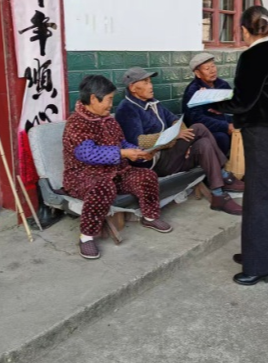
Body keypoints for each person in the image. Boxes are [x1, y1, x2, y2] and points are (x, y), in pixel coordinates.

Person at [212, 6, 268, 286]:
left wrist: (215, 104)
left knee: (257, 199)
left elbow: (243, 101)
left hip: (262, 135)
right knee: (264, 196)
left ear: (245, 30)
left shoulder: (253, 55)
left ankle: (259, 267)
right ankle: (261, 255)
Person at [63, 75, 171, 260]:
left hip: (116, 172)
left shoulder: (109, 120)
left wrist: (137, 151)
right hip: (84, 176)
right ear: (93, 99)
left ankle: (150, 217)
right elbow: (87, 153)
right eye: (109, 99)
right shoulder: (77, 123)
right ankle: (86, 237)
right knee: (103, 187)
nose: (111, 104)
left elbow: (122, 143)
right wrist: (122, 153)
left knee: (146, 176)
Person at [115, 67, 243, 216]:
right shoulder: (127, 109)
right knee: (199, 128)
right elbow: (139, 142)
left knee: (204, 144)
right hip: (154, 162)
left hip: (170, 155)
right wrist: (173, 137)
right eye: (145, 82)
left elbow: (175, 120)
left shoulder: (153, 102)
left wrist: (186, 140)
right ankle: (225, 175)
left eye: (150, 81)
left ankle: (218, 195)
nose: (151, 86)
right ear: (133, 87)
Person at [181, 53, 233, 157]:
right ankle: (219, 164)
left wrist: (223, 109)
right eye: (207, 68)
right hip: (205, 128)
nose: (212, 71)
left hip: (223, 119)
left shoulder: (222, 85)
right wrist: (225, 126)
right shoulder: (193, 91)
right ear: (198, 73)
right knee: (222, 137)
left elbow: (233, 104)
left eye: (213, 66)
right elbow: (196, 119)